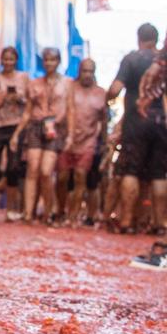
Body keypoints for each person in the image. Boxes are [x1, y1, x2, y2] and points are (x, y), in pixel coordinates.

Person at [106, 23, 165, 234]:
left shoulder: (132, 59)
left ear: (138, 37)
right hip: (161, 123)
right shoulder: (162, 60)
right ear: (156, 39)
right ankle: (159, 224)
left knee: (131, 171)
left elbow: (115, 89)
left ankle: (127, 222)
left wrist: (108, 100)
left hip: (136, 122)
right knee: (159, 174)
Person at [11, 47, 74, 225]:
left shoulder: (68, 83)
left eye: (53, 60)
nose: (49, 63)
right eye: (46, 60)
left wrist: (70, 135)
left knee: (46, 172)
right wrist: (16, 134)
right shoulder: (35, 83)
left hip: (56, 127)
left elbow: (70, 110)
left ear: (58, 61)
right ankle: (28, 213)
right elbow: (27, 112)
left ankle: (49, 210)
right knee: (32, 169)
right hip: (36, 126)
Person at [56, 59, 106, 226]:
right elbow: (68, 111)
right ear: (79, 71)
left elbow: (103, 120)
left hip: (88, 141)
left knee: (80, 176)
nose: (87, 74)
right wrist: (69, 135)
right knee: (62, 177)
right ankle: (60, 210)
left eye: (90, 71)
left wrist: (104, 142)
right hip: (67, 139)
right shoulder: (71, 88)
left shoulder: (100, 93)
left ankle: (73, 215)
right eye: (84, 71)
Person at [0, 46, 28, 221]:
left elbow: (28, 103)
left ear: (16, 60)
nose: (8, 62)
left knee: (13, 167)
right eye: (5, 59)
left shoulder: (23, 78)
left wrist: (19, 97)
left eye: (11, 59)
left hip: (15, 126)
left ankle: (10, 210)